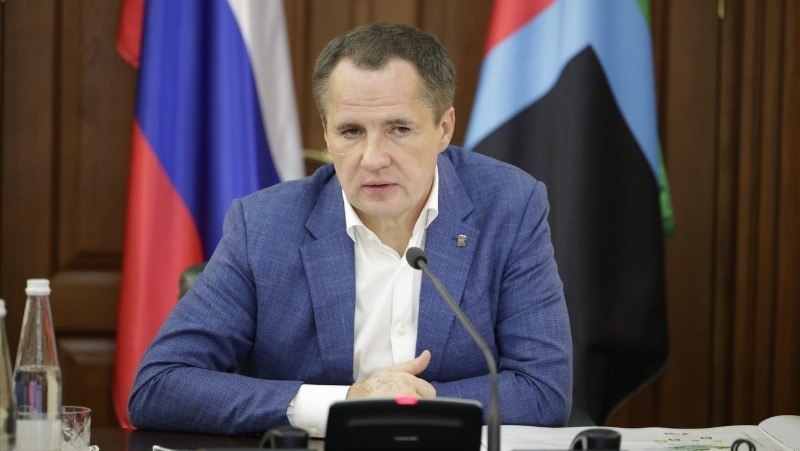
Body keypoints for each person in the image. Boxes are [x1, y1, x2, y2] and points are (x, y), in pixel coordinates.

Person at [128, 22, 572, 436]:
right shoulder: (264, 226)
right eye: (351, 131)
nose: (373, 158)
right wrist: (343, 405)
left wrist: (414, 404)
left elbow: (543, 390)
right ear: (326, 133)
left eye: (399, 129)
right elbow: (158, 385)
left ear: (443, 128)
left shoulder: (509, 206)